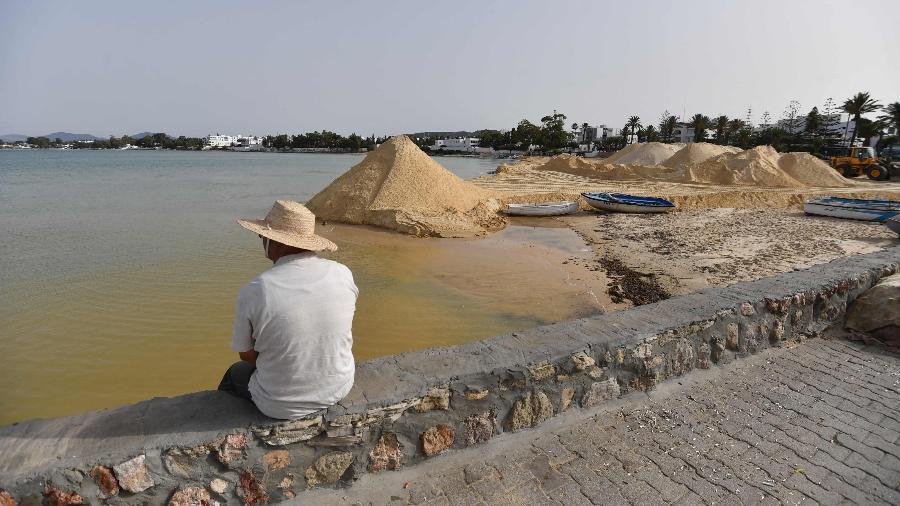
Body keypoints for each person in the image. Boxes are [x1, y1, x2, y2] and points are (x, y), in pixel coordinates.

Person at [218, 200, 358, 419]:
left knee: (235, 373)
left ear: (277, 243)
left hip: (278, 404)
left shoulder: (257, 290)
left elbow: (246, 354)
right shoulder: (342, 273)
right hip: (339, 387)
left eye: (262, 236)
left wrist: (282, 362)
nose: (262, 240)